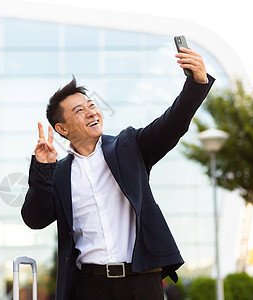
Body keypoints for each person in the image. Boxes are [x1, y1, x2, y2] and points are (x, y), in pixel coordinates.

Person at [21, 46, 215, 300]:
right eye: (79, 111)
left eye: (91, 105)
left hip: (142, 282)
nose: (91, 112)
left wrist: (196, 84)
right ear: (62, 128)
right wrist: (43, 169)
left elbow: (172, 123)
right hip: (89, 286)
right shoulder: (58, 174)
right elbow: (35, 219)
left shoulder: (129, 147)